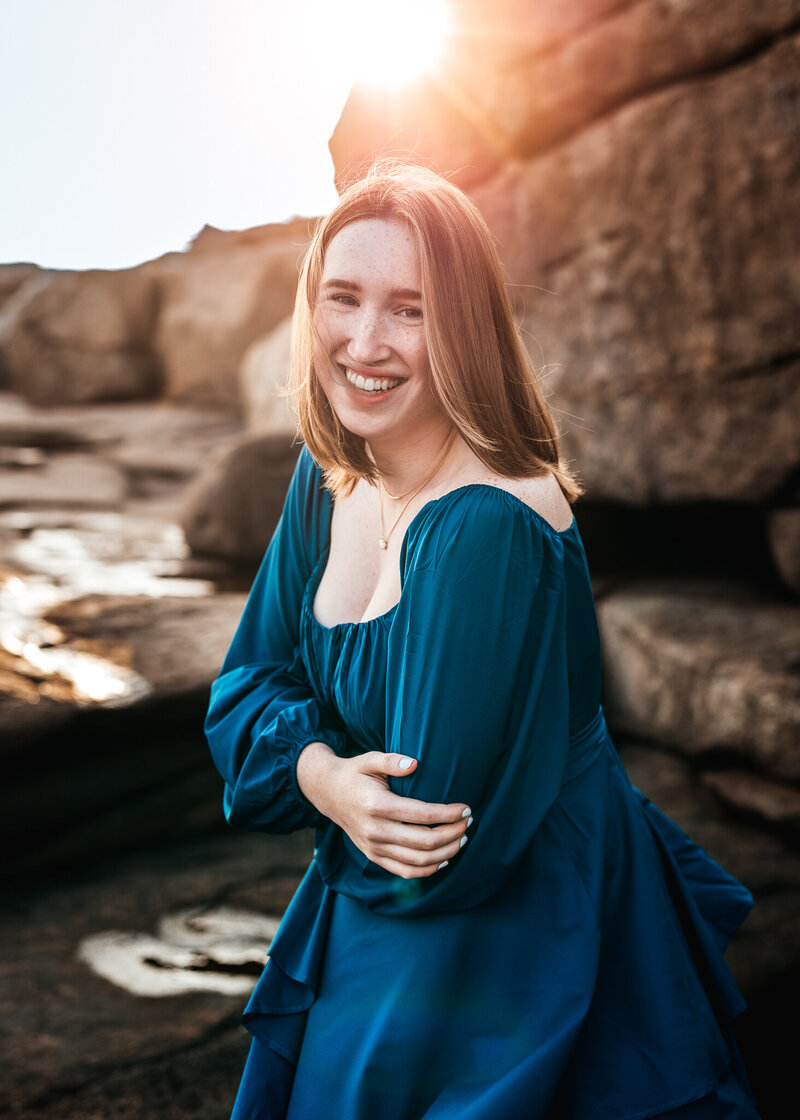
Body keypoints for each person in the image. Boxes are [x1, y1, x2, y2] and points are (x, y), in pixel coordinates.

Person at [205, 162, 760, 1119]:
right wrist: (324, 778)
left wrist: (329, 784)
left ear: (463, 324)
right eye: (343, 298)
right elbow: (243, 688)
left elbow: (427, 833)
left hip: (513, 939)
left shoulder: (485, 527)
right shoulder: (327, 475)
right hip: (379, 909)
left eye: (410, 310)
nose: (364, 343)